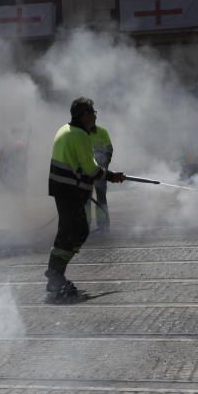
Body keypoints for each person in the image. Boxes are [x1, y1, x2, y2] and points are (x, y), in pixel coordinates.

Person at [45, 98, 125, 299]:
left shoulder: (63, 129)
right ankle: (55, 274)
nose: (95, 116)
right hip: (70, 190)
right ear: (84, 115)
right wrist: (110, 175)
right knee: (77, 231)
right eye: (93, 112)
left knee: (67, 231)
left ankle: (55, 275)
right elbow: (90, 168)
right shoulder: (80, 135)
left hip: (62, 188)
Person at [88, 119, 113, 233]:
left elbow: (109, 149)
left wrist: (105, 164)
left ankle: (103, 225)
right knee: (86, 199)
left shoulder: (102, 132)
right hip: (86, 170)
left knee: (101, 198)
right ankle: (85, 225)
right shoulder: (82, 134)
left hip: (100, 170)